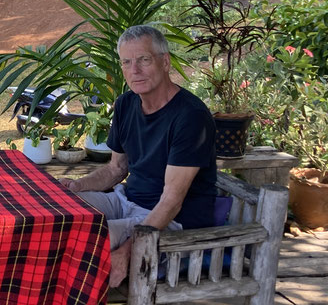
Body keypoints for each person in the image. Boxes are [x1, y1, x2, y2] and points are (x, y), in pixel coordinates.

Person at [60, 24, 217, 287]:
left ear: (165, 62)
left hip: (172, 223)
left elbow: (171, 201)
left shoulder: (190, 117)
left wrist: (130, 248)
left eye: (144, 60)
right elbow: (116, 170)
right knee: (59, 211)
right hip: (126, 201)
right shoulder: (126, 104)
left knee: (79, 239)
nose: (135, 70)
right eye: (127, 62)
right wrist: (74, 187)